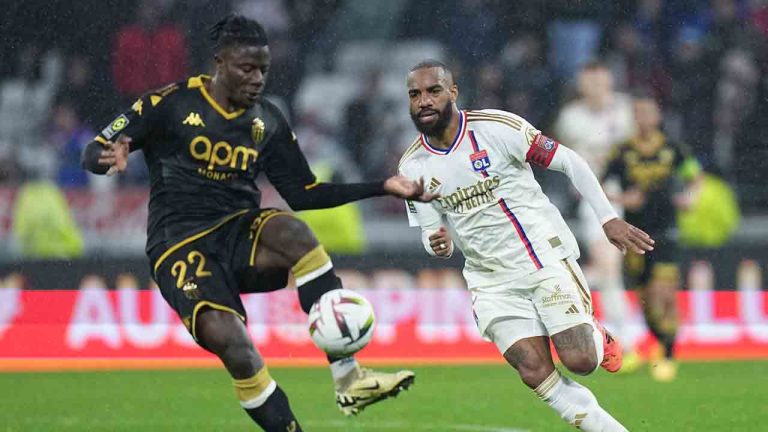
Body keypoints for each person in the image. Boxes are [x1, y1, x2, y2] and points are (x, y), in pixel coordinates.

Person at [82, 15, 431, 431]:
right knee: (236, 347)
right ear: (220, 63)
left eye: (263, 69)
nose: (257, 79)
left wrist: (382, 186)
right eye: (247, 68)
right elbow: (95, 150)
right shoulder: (170, 103)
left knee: (293, 232)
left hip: (238, 231)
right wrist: (107, 158)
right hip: (179, 244)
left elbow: (304, 193)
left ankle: (349, 378)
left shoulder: (268, 120)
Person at [399, 60, 654, 432]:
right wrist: (436, 243)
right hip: (490, 281)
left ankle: (598, 336)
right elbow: (430, 232)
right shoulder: (411, 167)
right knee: (534, 370)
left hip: (542, 258)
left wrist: (607, 218)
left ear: (453, 93)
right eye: (415, 94)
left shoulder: (497, 128)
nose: (423, 101)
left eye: (433, 91)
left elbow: (570, 161)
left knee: (580, 360)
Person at [602, 94, 702, 382]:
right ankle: (660, 342)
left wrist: (690, 197)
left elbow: (695, 177)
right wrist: (623, 199)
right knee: (646, 298)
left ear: (657, 117)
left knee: (663, 292)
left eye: (648, 112)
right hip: (635, 234)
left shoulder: (673, 149)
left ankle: (668, 353)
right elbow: (598, 185)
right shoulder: (622, 152)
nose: (643, 118)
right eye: (638, 113)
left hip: (667, 230)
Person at [553, 61, 640, 369]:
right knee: (609, 268)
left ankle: (627, 335)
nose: (596, 88)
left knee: (622, 269)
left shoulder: (627, 111)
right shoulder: (570, 118)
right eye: (590, 82)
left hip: (633, 196)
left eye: (601, 82)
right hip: (598, 200)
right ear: (581, 85)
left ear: (610, 82)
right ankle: (626, 341)